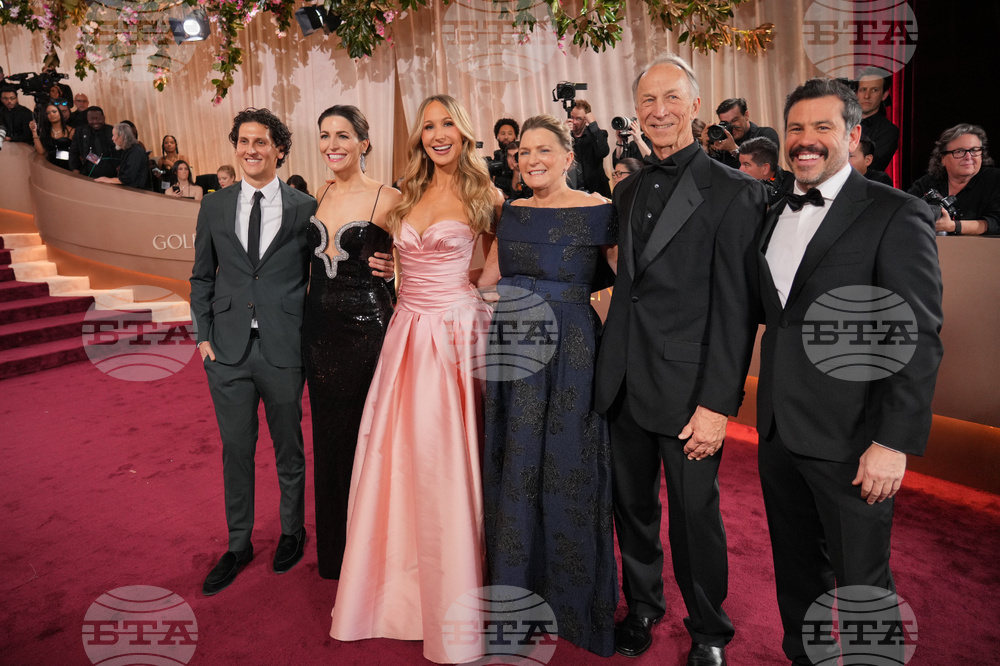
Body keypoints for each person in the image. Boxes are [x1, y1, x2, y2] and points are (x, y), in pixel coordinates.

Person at [750, 76, 943, 666]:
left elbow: (917, 335)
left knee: (863, 583)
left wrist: (893, 441)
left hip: (855, 438)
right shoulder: (774, 210)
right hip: (781, 431)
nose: (806, 141)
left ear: (854, 133)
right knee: (797, 573)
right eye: (796, 128)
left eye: (822, 127)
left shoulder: (896, 213)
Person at [593, 54, 767, 665]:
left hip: (692, 389)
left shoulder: (737, 191)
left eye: (671, 99)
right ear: (636, 111)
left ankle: (709, 631)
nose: (658, 112)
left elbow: (737, 310)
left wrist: (719, 403)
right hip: (622, 380)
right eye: (647, 102)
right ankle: (642, 607)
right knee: (632, 509)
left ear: (695, 107)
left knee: (696, 517)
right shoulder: (631, 186)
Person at [330, 94, 501, 664]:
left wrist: (472, 301)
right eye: (428, 126)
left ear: (464, 130)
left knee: (451, 460)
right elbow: (379, 249)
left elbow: (494, 270)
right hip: (405, 333)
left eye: (447, 122)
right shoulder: (404, 196)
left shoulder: (486, 194)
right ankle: (398, 593)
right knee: (401, 460)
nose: (437, 134)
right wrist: (391, 266)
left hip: (456, 334)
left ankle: (458, 593)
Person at [481, 113, 619, 656]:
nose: (532, 159)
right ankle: (518, 592)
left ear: (569, 155)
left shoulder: (600, 212)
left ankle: (573, 605)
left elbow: (625, 279)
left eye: (545, 149)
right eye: (524, 152)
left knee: (569, 463)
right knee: (514, 463)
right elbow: (488, 279)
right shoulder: (511, 213)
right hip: (512, 347)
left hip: (572, 348)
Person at [190, 108, 316, 596]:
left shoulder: (305, 207)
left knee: (289, 449)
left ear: (279, 149)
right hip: (227, 351)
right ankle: (238, 544)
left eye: (261, 142)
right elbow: (202, 274)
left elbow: (318, 277)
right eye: (243, 141)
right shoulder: (215, 206)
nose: (251, 150)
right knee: (236, 451)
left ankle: (292, 531)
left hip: (284, 345)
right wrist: (203, 337)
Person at [302, 105, 400, 580]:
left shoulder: (391, 197)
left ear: (364, 141)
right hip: (318, 334)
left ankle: (378, 553)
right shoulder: (316, 196)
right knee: (331, 441)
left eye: (343, 135)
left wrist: (398, 268)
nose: (332, 144)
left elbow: (424, 255)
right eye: (324, 135)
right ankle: (338, 554)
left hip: (368, 334)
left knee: (374, 442)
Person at [908, 124, 1000, 236]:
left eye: (974, 150)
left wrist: (953, 226)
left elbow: (995, 223)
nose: (968, 157)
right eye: (959, 151)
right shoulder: (926, 183)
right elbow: (905, 214)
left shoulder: (995, 180)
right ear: (943, 159)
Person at [708, 97, 780, 168]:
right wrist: (705, 147)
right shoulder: (724, 144)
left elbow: (761, 169)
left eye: (734, 120)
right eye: (726, 123)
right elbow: (711, 172)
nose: (731, 127)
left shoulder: (765, 135)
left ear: (746, 115)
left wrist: (733, 149)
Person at [856, 68, 899, 173]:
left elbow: (870, 167)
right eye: (863, 89)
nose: (867, 96)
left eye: (874, 90)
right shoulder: (842, 122)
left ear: (884, 95)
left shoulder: (889, 131)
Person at [568, 99, 611, 197]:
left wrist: (593, 124)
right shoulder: (565, 136)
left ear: (586, 119)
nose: (574, 122)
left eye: (578, 118)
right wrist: (563, 133)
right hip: (573, 191)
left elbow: (603, 152)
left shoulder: (598, 135)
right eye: (572, 117)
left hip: (597, 189)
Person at [738, 136, 793, 203]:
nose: (740, 170)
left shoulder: (793, 188)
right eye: (741, 164)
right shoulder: (740, 185)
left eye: (746, 164)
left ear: (765, 168)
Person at [95, 123, 149, 190]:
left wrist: (108, 180)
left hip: (136, 193)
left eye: (114, 135)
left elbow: (128, 178)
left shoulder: (136, 151)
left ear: (122, 136)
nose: (112, 139)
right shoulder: (127, 150)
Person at [68, 107, 117, 179]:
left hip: (111, 173)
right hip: (88, 173)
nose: (95, 122)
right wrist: (75, 169)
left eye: (98, 119)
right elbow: (73, 152)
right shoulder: (80, 132)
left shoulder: (112, 131)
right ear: (87, 119)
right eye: (91, 119)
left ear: (104, 118)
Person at [29, 102, 75, 169]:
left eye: (54, 111)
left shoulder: (71, 131)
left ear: (59, 113)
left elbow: (76, 153)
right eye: (48, 113)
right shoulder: (45, 131)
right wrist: (34, 132)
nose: (52, 115)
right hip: (50, 165)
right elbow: (41, 151)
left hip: (67, 166)